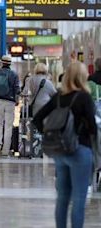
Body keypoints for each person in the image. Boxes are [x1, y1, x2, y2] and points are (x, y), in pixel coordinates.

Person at [33, 62, 96, 228]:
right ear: (83, 77)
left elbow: (38, 118)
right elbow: (93, 127)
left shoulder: (59, 96)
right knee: (79, 198)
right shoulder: (84, 97)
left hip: (60, 151)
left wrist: (47, 134)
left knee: (62, 199)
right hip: (80, 150)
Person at [0, 55, 20, 157]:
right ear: (10, 64)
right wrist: (17, 100)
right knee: (8, 126)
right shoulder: (14, 75)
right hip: (10, 102)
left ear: (1, 63)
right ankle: (5, 150)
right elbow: (17, 89)